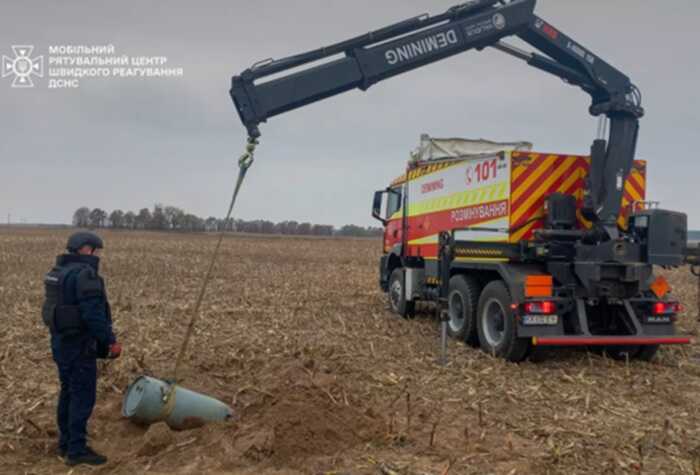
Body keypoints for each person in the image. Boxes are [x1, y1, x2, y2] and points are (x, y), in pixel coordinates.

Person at [41, 231, 121, 466]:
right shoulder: (85, 275)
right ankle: (77, 450)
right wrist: (110, 342)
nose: (96, 255)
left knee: (68, 392)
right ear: (86, 249)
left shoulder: (57, 273)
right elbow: (94, 316)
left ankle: (65, 443)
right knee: (82, 396)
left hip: (60, 343)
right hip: (79, 346)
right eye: (95, 251)